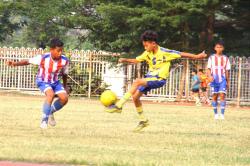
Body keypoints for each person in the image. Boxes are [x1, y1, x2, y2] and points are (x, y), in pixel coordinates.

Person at [106, 30, 207, 132]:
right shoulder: (147, 53)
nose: (145, 48)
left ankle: (119, 105)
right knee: (135, 97)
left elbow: (181, 54)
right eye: (144, 46)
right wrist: (125, 60)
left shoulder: (165, 52)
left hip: (159, 79)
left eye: (146, 45)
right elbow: (137, 60)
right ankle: (143, 121)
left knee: (137, 82)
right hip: (150, 77)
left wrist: (197, 56)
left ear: (153, 43)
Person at [6, 38, 69, 129]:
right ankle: (44, 120)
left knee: (64, 98)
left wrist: (65, 85)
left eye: (61, 51)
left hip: (55, 82)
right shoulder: (43, 58)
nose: (60, 53)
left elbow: (64, 73)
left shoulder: (64, 60)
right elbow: (27, 61)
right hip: (42, 80)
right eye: (58, 51)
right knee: (50, 94)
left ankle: (50, 111)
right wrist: (14, 64)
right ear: (51, 50)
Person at [207, 41, 230, 120]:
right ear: (215, 48)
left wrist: (228, 81)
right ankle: (216, 114)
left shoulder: (226, 58)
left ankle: (222, 114)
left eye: (220, 47)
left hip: (222, 79)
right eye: (217, 47)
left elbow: (227, 70)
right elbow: (209, 69)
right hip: (214, 79)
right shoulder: (211, 58)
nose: (219, 48)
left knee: (222, 95)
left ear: (223, 48)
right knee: (215, 96)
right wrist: (209, 76)